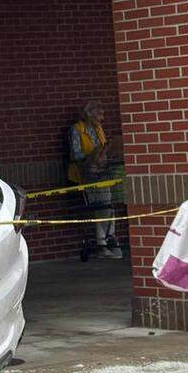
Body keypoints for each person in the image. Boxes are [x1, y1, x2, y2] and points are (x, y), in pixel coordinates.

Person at [67, 99, 122, 258]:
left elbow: (103, 148)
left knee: (108, 205)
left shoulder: (98, 128)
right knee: (101, 206)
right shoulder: (77, 130)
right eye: (99, 114)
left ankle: (109, 238)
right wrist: (93, 154)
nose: (102, 118)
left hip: (102, 171)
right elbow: (75, 154)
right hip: (86, 173)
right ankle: (102, 242)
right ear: (89, 114)